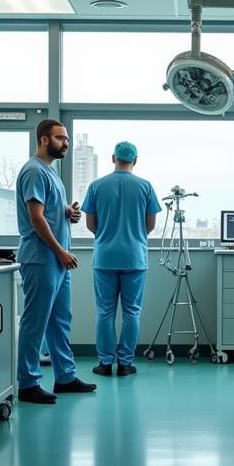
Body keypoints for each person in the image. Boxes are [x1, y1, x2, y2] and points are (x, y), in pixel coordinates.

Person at [14, 118, 97, 405]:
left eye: (67, 139)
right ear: (44, 140)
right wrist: (60, 250)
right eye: (61, 138)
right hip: (41, 257)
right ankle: (27, 383)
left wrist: (67, 212)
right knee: (35, 322)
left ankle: (65, 376)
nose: (66, 143)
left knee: (60, 320)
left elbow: (48, 209)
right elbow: (36, 217)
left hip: (57, 260)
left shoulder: (50, 173)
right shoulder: (34, 171)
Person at [81, 141, 162, 378]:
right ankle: (125, 363)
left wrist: (108, 236)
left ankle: (105, 363)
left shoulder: (96, 186)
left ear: (112, 157)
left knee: (105, 312)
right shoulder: (145, 187)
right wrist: (133, 237)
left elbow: (90, 225)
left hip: (105, 258)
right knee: (131, 313)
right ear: (135, 161)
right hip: (134, 258)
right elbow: (150, 226)